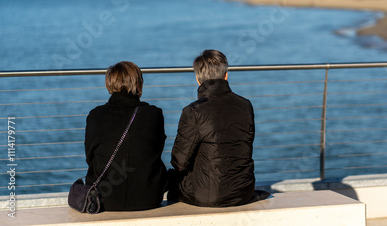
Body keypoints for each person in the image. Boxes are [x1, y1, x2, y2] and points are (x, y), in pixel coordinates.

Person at [168, 49, 269, 207]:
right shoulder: (245, 105)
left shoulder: (193, 111)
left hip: (208, 196)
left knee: (173, 180)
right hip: (243, 191)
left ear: (198, 79)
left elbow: (179, 162)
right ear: (226, 75)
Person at [85, 61, 168, 211]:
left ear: (109, 84)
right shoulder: (154, 114)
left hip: (103, 199)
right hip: (148, 197)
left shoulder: (95, 115)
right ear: (139, 84)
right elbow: (155, 152)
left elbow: (90, 157)